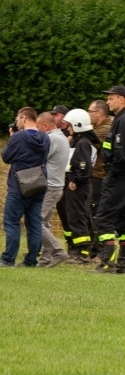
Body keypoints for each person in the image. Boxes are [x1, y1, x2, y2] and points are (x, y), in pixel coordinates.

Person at [0, 106, 50, 268]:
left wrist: (12, 138)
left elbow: (6, 157)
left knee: (12, 221)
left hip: (20, 183)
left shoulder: (18, 137)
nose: (17, 122)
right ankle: (31, 260)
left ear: (23, 118)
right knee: (34, 223)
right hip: (38, 183)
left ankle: (8, 259)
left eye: (18, 119)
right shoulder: (45, 138)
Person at [57, 109, 99, 263]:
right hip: (78, 184)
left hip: (77, 185)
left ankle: (82, 252)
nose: (67, 128)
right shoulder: (81, 142)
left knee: (77, 217)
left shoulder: (82, 143)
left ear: (77, 125)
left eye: (70, 125)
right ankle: (83, 249)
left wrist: (75, 180)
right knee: (79, 216)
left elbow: (84, 166)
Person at [93, 86, 125, 273]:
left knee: (104, 216)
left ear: (121, 99)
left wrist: (113, 172)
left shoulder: (122, 121)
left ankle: (107, 261)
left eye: (111, 98)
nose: (107, 102)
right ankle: (122, 262)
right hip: (120, 176)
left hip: (117, 176)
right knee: (122, 220)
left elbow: (120, 153)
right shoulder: (119, 120)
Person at [34, 112, 70, 267]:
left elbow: (40, 157)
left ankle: (58, 251)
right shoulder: (61, 138)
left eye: (37, 127)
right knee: (45, 222)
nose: (37, 130)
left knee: (35, 221)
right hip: (56, 185)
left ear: (45, 126)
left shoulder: (52, 138)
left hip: (50, 186)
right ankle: (46, 259)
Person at [87, 99, 112, 259]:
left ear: (99, 113)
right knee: (90, 212)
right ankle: (94, 248)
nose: (88, 114)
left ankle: (100, 250)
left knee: (97, 213)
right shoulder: (97, 128)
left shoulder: (105, 129)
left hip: (99, 177)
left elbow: (88, 142)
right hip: (94, 176)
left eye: (90, 111)